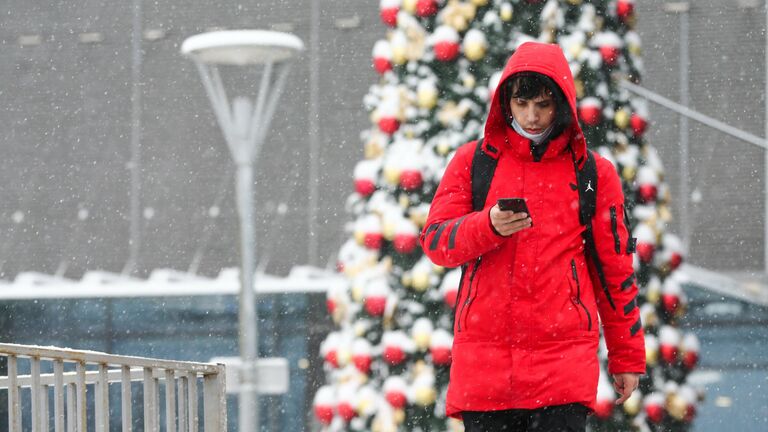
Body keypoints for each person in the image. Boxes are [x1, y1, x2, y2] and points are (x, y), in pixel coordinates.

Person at [419, 42, 646, 431]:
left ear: (562, 103)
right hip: (485, 372)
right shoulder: (473, 162)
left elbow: (615, 273)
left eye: (543, 104)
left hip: (562, 370)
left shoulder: (594, 174)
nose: (532, 116)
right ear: (506, 102)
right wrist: (486, 227)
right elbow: (437, 241)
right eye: (522, 105)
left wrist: (626, 358)